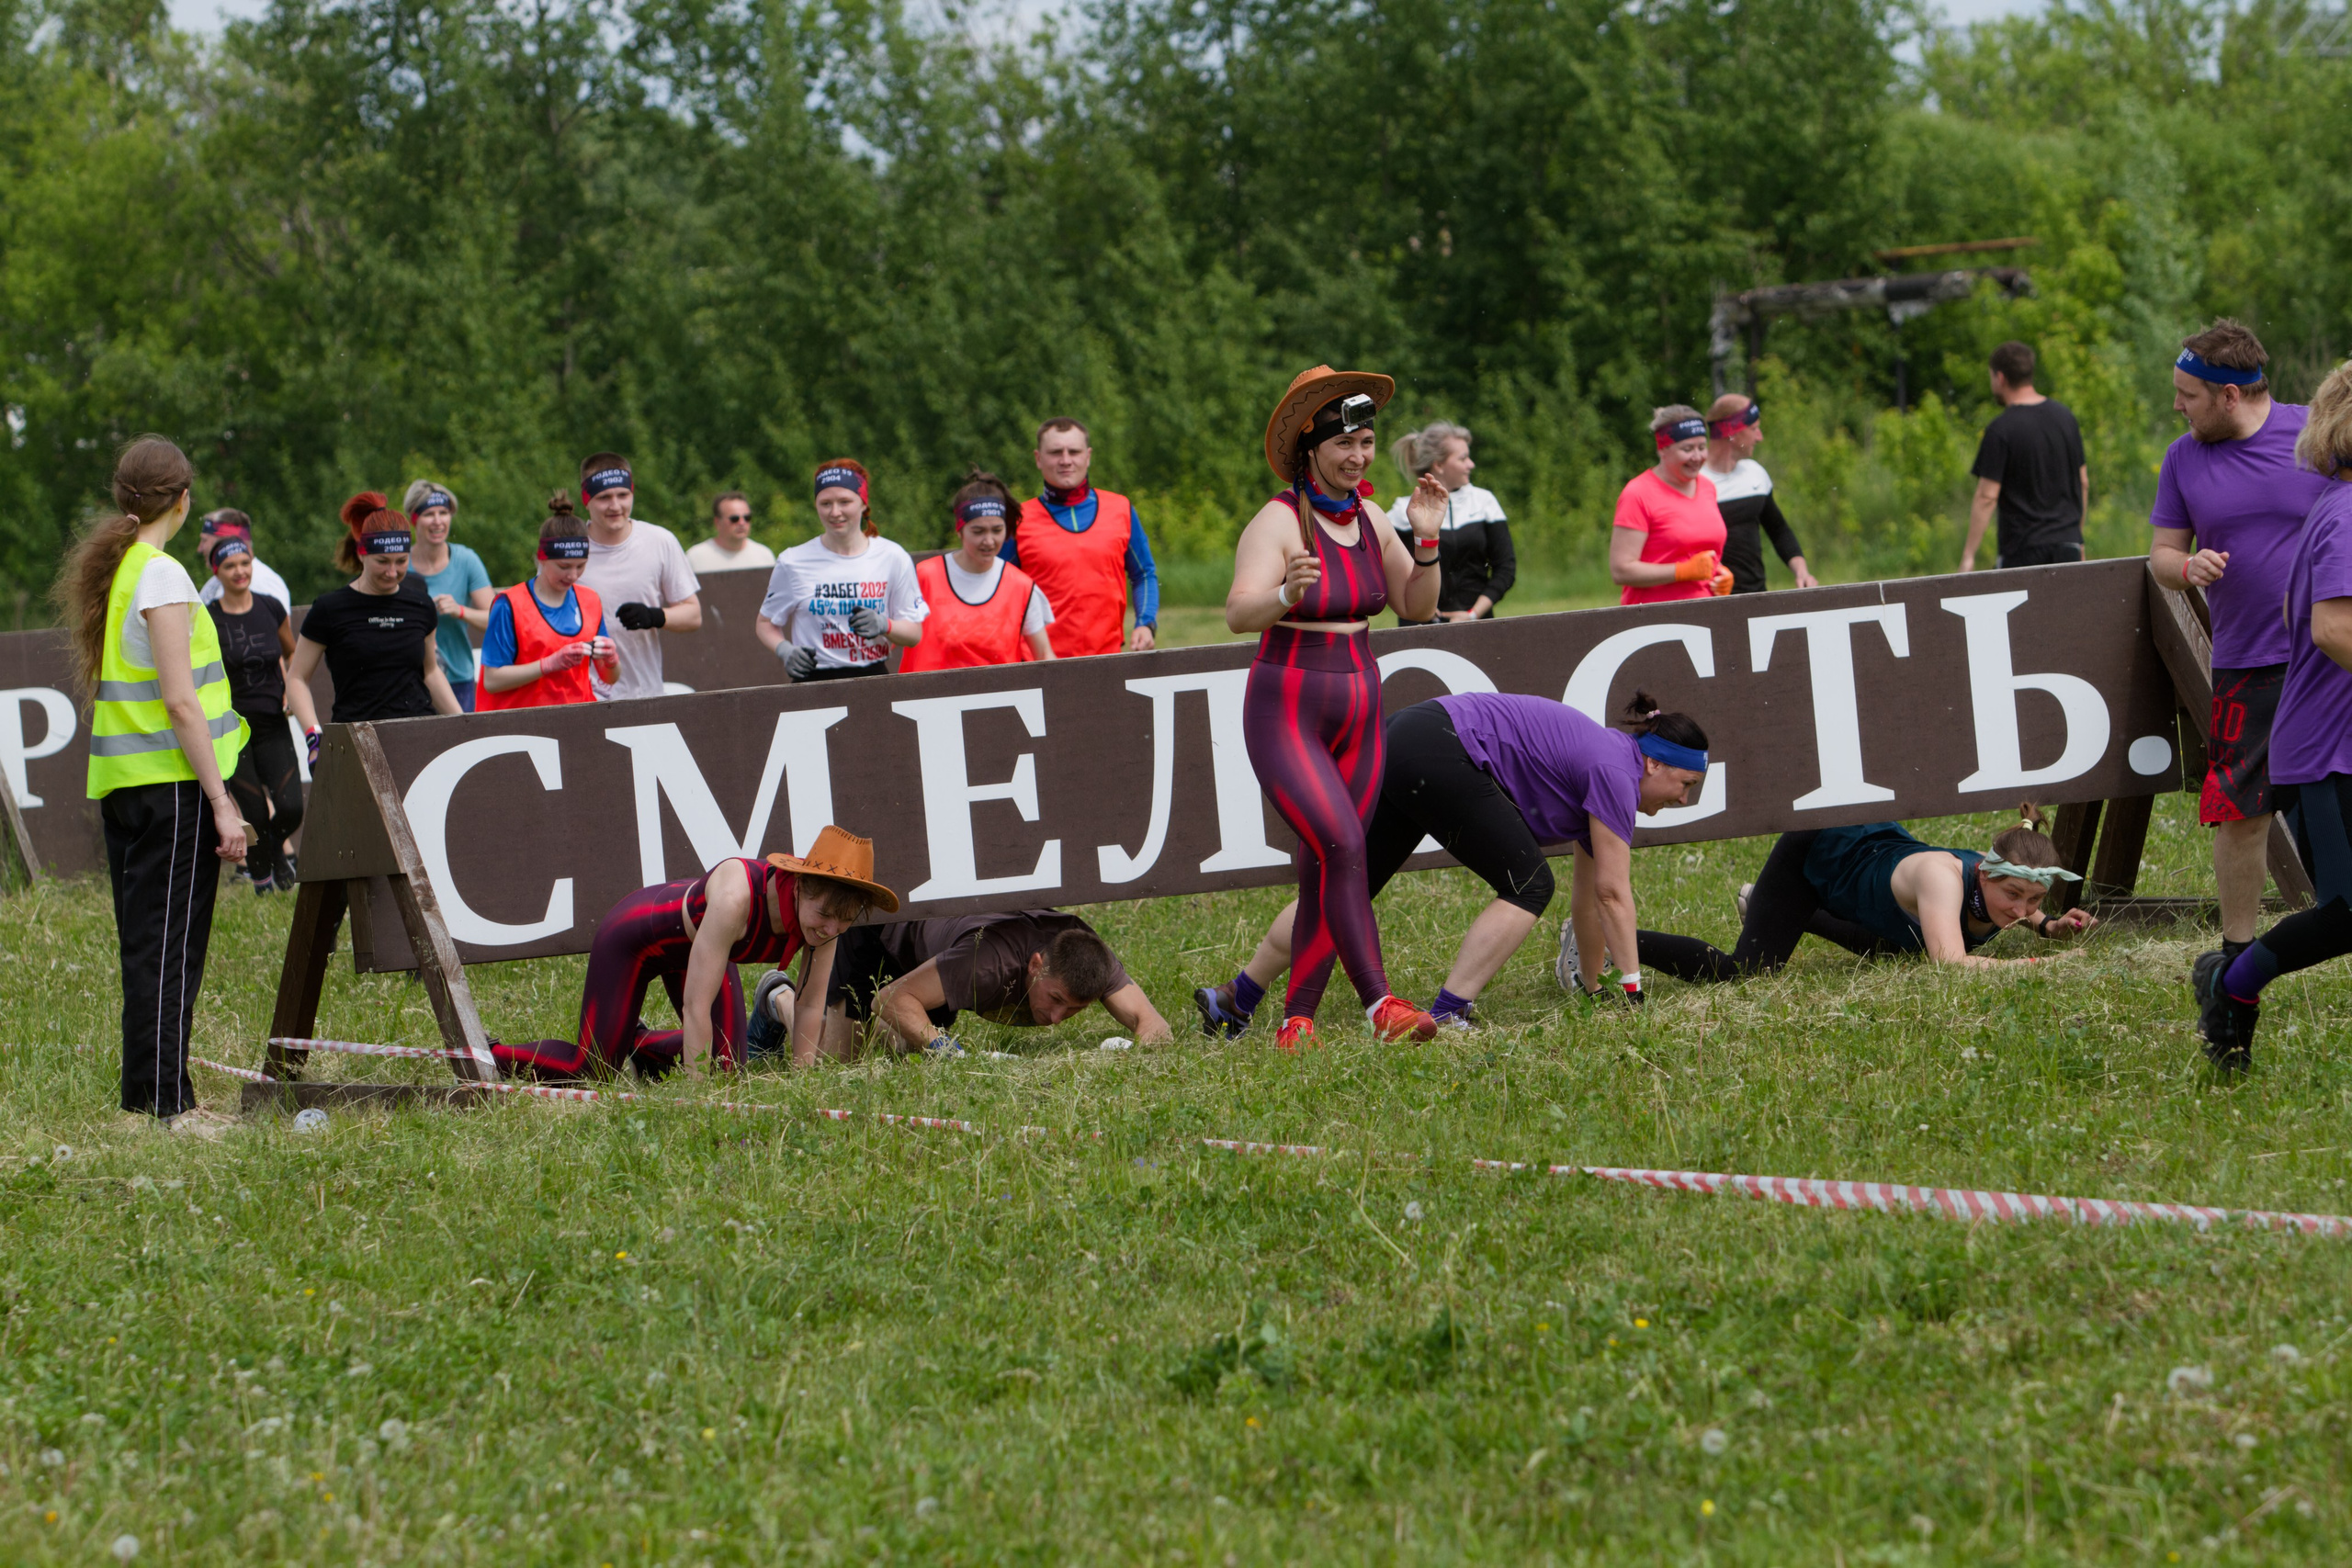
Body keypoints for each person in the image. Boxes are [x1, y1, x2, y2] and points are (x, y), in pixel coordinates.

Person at [1194, 692, 1710, 1036]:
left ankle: (1237, 998)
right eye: (1685, 785)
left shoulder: (1612, 764)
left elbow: (1592, 897)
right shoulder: (1616, 771)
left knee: (1342, 894)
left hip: (1407, 739)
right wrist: (1634, 991)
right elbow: (1614, 895)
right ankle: (1450, 1011)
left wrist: (1596, 988)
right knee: (1529, 884)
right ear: (1654, 763)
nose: (1684, 800)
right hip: (1435, 747)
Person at [1228, 365, 1447, 1050]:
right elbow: (1238, 612)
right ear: (1310, 450)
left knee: (1325, 863)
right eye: (1343, 444)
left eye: (1366, 443)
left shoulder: (1372, 517)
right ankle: (1380, 1003)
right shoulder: (1276, 520)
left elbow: (1418, 605)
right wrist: (1285, 594)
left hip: (1361, 706)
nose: (1357, 457)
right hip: (1286, 708)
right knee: (1345, 843)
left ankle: (1296, 1023)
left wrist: (1428, 537)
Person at [54, 436, 250, 1127]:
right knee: (169, 948)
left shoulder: (128, 568)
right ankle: (169, 1104)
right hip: (171, 788)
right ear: (183, 497)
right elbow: (179, 702)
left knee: (148, 945)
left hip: (131, 785)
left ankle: (148, 1095)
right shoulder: (162, 576)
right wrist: (223, 804)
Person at [2146, 321, 2331, 972]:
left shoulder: (2318, 434)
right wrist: (2186, 568)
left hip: (2330, 658)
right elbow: (2161, 554)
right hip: (2245, 662)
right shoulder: (2182, 458)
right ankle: (2235, 952)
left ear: (2229, 396)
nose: (2177, 406)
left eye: (2188, 394)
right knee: (2240, 811)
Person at [2192, 358, 2352, 1072]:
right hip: (2330, 750)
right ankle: (2232, 982)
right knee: (2348, 913)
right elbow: (2332, 629)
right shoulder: (2347, 513)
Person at [490, 825, 896, 1080]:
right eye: (824, 915)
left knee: (726, 1070)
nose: (829, 930)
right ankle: (487, 1053)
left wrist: (805, 1082)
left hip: (702, 952)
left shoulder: (828, 925)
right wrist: (699, 1103)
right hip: (633, 939)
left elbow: (809, 1006)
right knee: (593, 1069)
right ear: (801, 885)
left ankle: (633, 1041)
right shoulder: (737, 897)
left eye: (841, 923)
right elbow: (696, 1007)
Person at [1636, 807, 2098, 983]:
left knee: (1895, 949)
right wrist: (2035, 966)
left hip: (1869, 866)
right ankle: (1607, 934)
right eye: (2014, 895)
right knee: (1745, 974)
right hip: (1821, 849)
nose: (2021, 909)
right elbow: (1951, 966)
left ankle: (1781, 911)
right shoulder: (1944, 879)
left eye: (2035, 900)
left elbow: (2022, 912)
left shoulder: (2005, 887)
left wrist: (2050, 927)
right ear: (1985, 876)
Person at [747, 908, 1170, 1065]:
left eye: (1075, 1011)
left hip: (936, 957)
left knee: (903, 1049)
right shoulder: (988, 963)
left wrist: (1130, 1059)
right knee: (835, 1057)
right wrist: (951, 1055)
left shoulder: (1089, 959)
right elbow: (890, 999)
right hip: (880, 935)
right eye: (1056, 1000)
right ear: (1036, 965)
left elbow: (1155, 1025)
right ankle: (776, 997)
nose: (1057, 1019)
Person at [206, 531, 321, 892]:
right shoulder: (208, 618)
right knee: (253, 814)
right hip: (232, 728)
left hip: (272, 722)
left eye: (245, 563)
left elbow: (292, 653)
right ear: (216, 573)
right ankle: (263, 878)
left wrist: (289, 685)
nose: (240, 572)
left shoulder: (271, 606)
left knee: (291, 809)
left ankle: (269, 852)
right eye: (230, 566)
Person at [287, 494, 464, 724]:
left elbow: (430, 672)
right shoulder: (330, 608)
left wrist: (464, 723)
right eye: (382, 562)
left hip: (419, 736)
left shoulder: (421, 605)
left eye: (401, 561)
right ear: (362, 554)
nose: (392, 572)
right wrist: (313, 735)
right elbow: (297, 678)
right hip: (357, 736)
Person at [756, 459, 927, 681]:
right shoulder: (793, 561)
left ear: (863, 503)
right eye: (825, 503)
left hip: (873, 677)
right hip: (812, 680)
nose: (835, 512)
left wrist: (885, 624)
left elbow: (914, 634)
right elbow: (765, 623)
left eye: (845, 501)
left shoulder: (892, 556)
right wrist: (785, 651)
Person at [1005, 418, 1159, 655]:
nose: (1066, 460)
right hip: (1039, 664)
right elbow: (997, 590)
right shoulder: (1018, 520)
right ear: (1038, 458)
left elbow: (1144, 574)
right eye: (1056, 452)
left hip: (1107, 660)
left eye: (1074, 452)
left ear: (1087, 456)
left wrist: (1146, 623)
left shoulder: (1121, 509)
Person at [899, 470, 1057, 671]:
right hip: (927, 697)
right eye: (978, 531)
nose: (989, 541)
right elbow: (892, 635)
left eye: (997, 530)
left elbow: (1044, 655)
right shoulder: (925, 576)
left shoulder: (1021, 587)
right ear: (959, 530)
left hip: (998, 700)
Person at [576, 452, 702, 701]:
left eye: (623, 495)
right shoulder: (569, 547)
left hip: (644, 694)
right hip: (583, 697)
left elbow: (693, 615)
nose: (615, 506)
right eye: (604, 497)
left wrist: (654, 616)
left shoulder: (659, 540)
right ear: (586, 499)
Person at [476, 497, 620, 710]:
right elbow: (492, 680)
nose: (573, 575)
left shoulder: (590, 600)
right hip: (522, 725)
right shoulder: (510, 604)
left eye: (581, 566)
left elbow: (609, 678)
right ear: (541, 558)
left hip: (578, 720)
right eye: (564, 566)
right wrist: (548, 665)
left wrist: (611, 660)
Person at [1962, 342, 2089, 570]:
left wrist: (1969, 556)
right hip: (2068, 546)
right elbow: (2083, 483)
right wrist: (2077, 539)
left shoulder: (2000, 429)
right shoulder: (2065, 418)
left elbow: (1986, 497)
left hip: (2022, 551)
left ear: (2000, 378)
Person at [1387, 422, 1516, 623]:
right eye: (1463, 458)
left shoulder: (1484, 502)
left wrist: (1472, 614)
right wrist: (1423, 611)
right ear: (1438, 465)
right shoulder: (1402, 512)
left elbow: (1506, 568)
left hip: (1477, 624)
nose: (1471, 464)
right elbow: (1387, 573)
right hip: (1419, 629)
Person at [1612, 407, 1734, 604]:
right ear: (1663, 449)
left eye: (1702, 447)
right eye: (1687, 449)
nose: (1697, 457)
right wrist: (1681, 571)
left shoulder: (1707, 488)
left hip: (1709, 611)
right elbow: (1621, 570)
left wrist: (1720, 574)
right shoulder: (1638, 494)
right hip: (1654, 616)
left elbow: (1701, 551)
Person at [1702, 395, 1817, 594]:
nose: (1759, 437)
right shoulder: (1694, 483)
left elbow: (1778, 529)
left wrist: (1801, 571)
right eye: (1754, 429)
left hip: (1756, 598)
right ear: (1731, 432)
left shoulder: (1755, 473)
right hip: (1707, 603)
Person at [404, 479, 493, 713]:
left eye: (443, 513)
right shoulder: (398, 565)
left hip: (458, 678)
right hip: (409, 680)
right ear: (414, 519)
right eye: (429, 514)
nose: (437, 521)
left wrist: (460, 611)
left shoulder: (466, 560)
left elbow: (496, 620)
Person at [195, 509, 291, 615]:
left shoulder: (264, 582)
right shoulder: (217, 580)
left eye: (204, 540)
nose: (200, 548)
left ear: (225, 540)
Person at [685, 491, 777, 574]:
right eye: (734, 519)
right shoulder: (695, 557)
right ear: (717, 522)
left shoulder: (765, 556)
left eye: (747, 518)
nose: (742, 523)